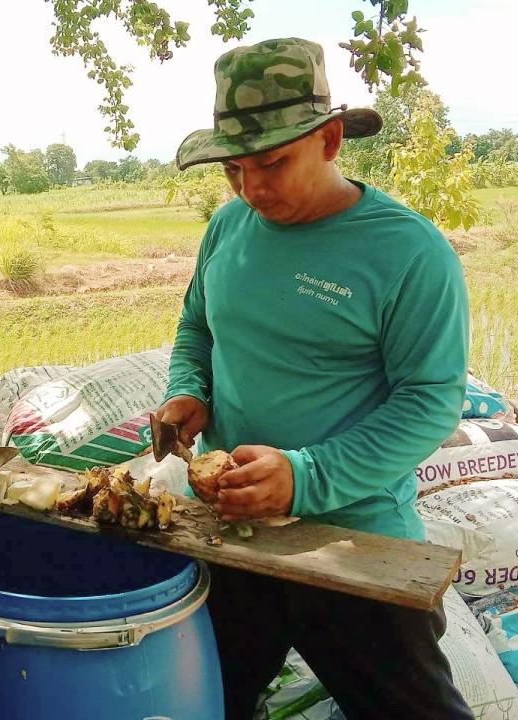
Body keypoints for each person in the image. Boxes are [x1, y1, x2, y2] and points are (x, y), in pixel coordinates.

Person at [155, 37, 474, 719]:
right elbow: (197, 329)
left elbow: (430, 401)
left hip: (353, 541)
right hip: (229, 529)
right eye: (234, 170)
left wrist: (304, 476)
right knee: (210, 702)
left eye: (273, 163)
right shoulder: (228, 228)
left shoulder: (409, 252)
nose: (253, 189)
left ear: (330, 139)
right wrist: (190, 390)